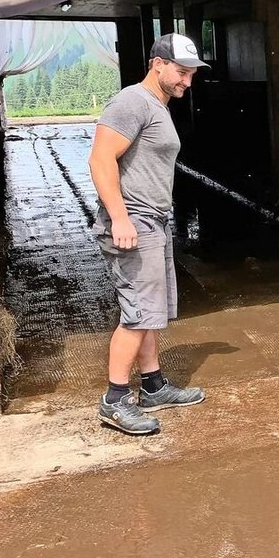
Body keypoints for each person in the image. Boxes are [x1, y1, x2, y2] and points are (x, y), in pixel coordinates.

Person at [87, 33, 209, 435]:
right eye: (181, 72)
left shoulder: (156, 104)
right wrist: (120, 219)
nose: (186, 82)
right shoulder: (130, 103)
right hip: (133, 221)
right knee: (137, 314)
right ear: (157, 63)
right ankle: (115, 400)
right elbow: (101, 158)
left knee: (150, 310)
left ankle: (153, 385)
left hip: (151, 220)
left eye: (191, 74)